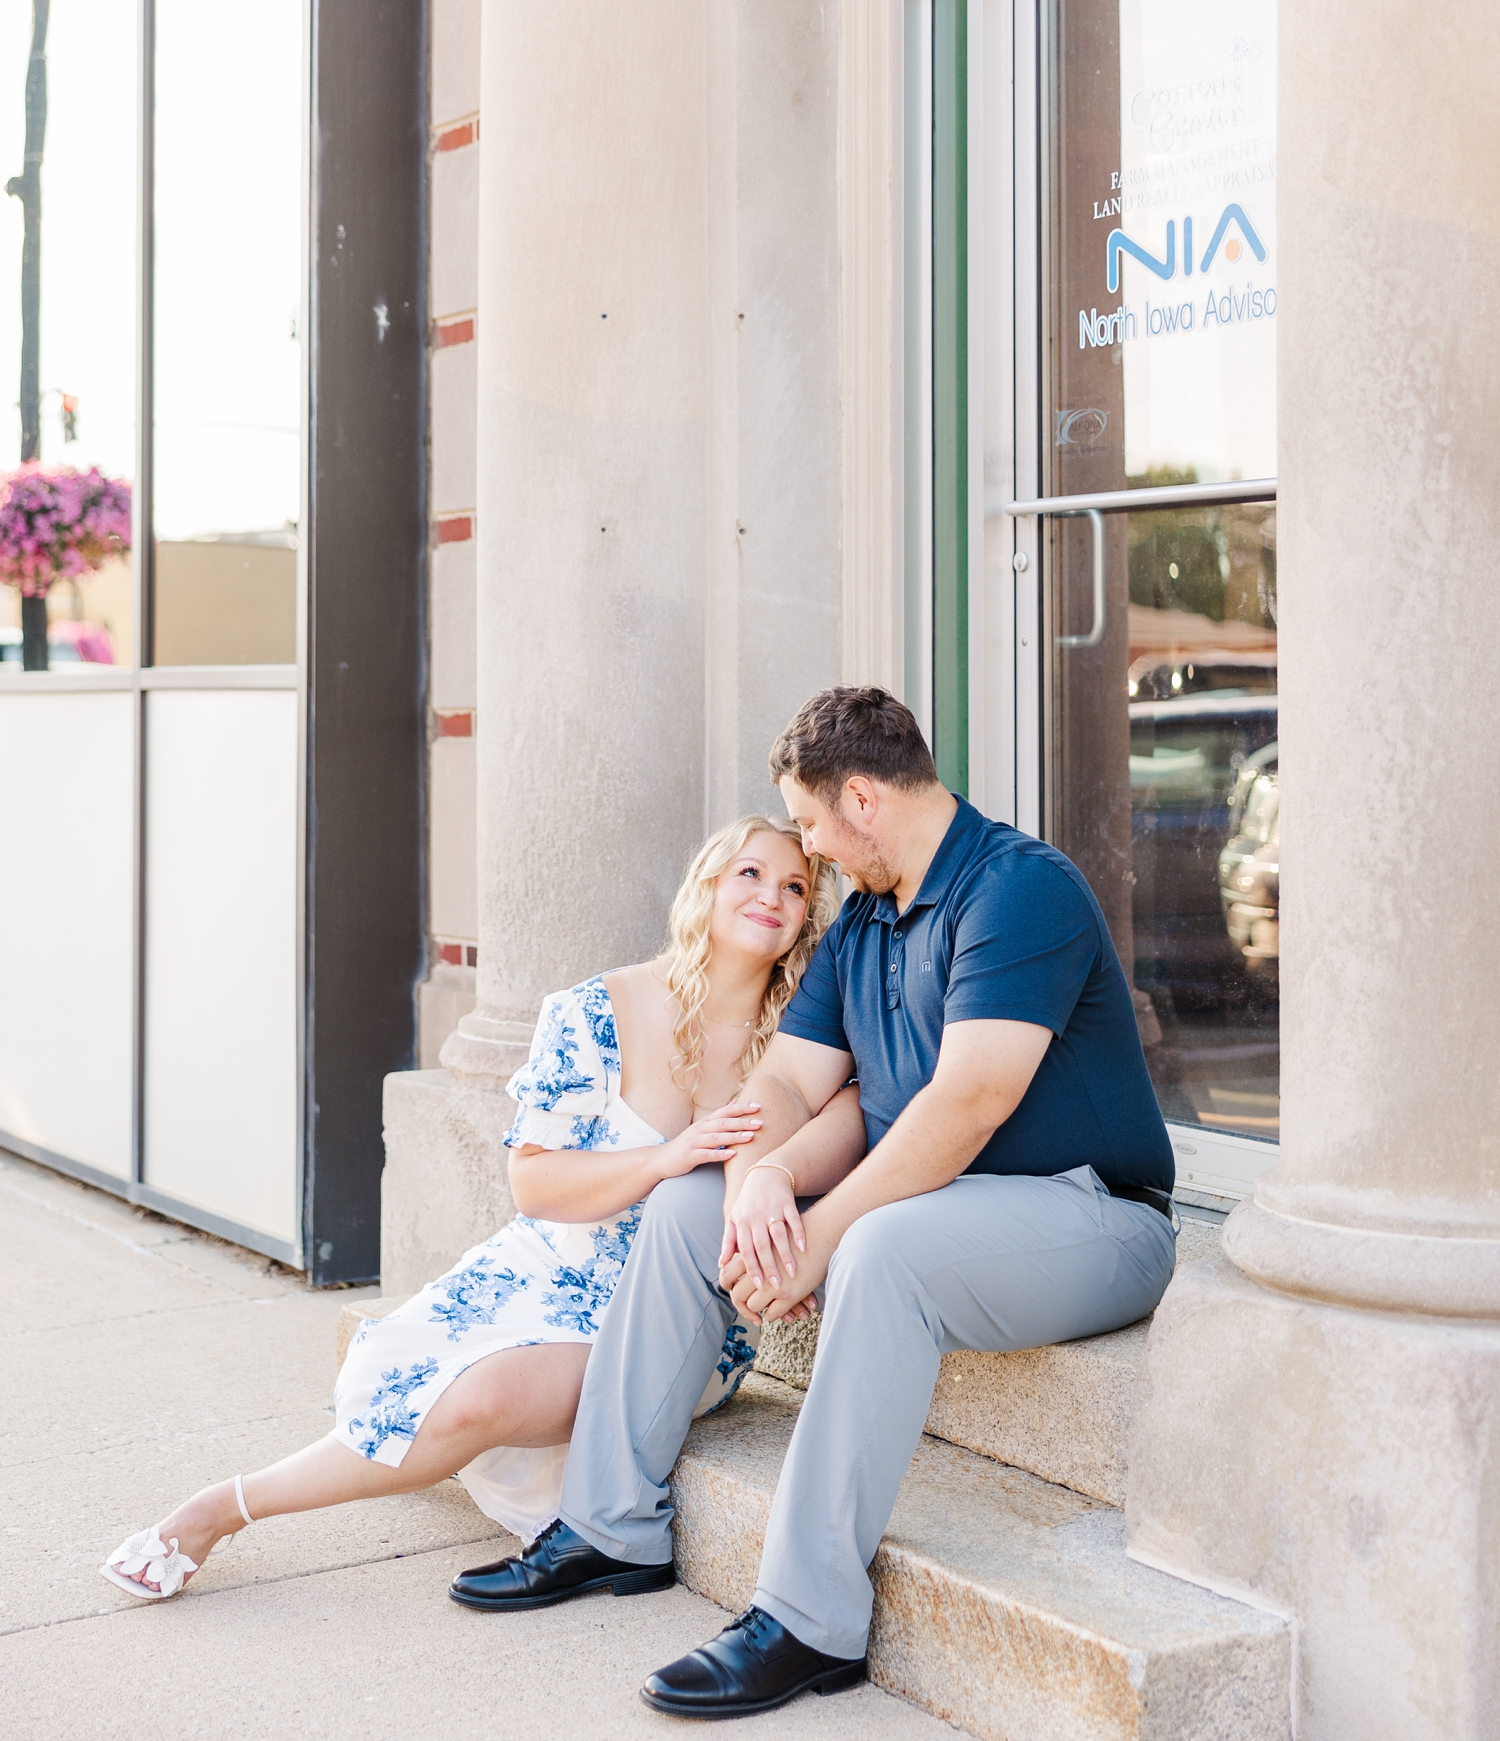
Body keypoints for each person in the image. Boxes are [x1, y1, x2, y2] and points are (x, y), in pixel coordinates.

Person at [451, 686, 1178, 1723]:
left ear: (865, 800)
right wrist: (758, 1185)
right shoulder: (865, 925)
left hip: (1091, 1213)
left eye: (810, 822)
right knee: (692, 1203)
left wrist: (821, 1232)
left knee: (882, 1252)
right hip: (941, 1206)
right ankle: (609, 1525)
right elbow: (789, 1086)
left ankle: (806, 1619)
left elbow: (965, 1105)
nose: (810, 847)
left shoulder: (1018, 891)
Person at [101, 813, 850, 1602]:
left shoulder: (802, 1042)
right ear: (706, 885)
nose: (773, 895)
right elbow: (535, 1185)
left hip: (675, 1319)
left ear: (808, 916)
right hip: (549, 1266)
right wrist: (668, 1158)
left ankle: (226, 1508)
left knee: (479, 1401)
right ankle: (226, 1504)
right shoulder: (599, 1011)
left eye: (796, 886)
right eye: (751, 874)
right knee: (424, 1390)